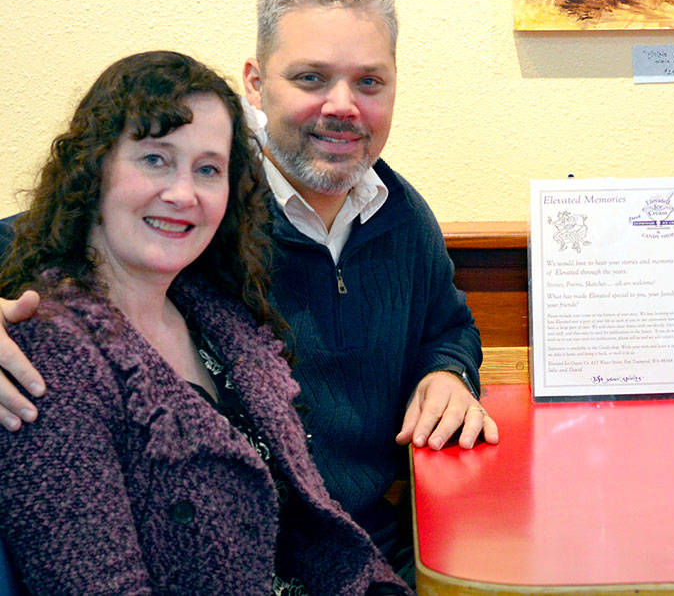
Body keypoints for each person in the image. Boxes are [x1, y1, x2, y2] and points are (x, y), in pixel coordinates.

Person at [0, 0, 498, 576]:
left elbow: (448, 325)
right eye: (311, 78)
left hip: (363, 547)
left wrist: (447, 373)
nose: (342, 106)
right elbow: (48, 230)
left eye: (369, 82)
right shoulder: (199, 214)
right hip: (244, 556)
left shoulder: (400, 213)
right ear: (256, 85)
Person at [0, 51, 410, 594]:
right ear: (94, 168)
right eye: (154, 159)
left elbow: (316, 534)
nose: (183, 194)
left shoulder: (217, 317)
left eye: (208, 170)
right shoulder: (49, 361)